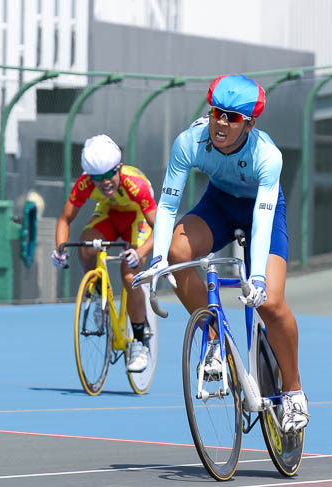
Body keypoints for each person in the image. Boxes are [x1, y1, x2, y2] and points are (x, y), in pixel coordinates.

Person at [132, 74, 309, 433]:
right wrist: (157, 261)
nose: (221, 123)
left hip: (263, 211)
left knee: (270, 303)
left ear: (250, 123)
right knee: (178, 252)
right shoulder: (189, 142)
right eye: (217, 113)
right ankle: (213, 341)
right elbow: (167, 206)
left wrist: (256, 276)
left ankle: (294, 391)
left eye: (232, 118)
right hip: (219, 206)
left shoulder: (267, 155)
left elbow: (262, 218)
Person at [52, 134, 157, 373]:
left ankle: (140, 341)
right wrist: (60, 249)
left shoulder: (136, 185)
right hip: (109, 213)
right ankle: (98, 295)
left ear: (119, 168)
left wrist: (140, 252)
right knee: (87, 245)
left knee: (129, 276)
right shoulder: (84, 183)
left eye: (109, 174)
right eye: (97, 178)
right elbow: (65, 219)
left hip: (137, 219)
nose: (104, 182)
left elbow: (161, 227)